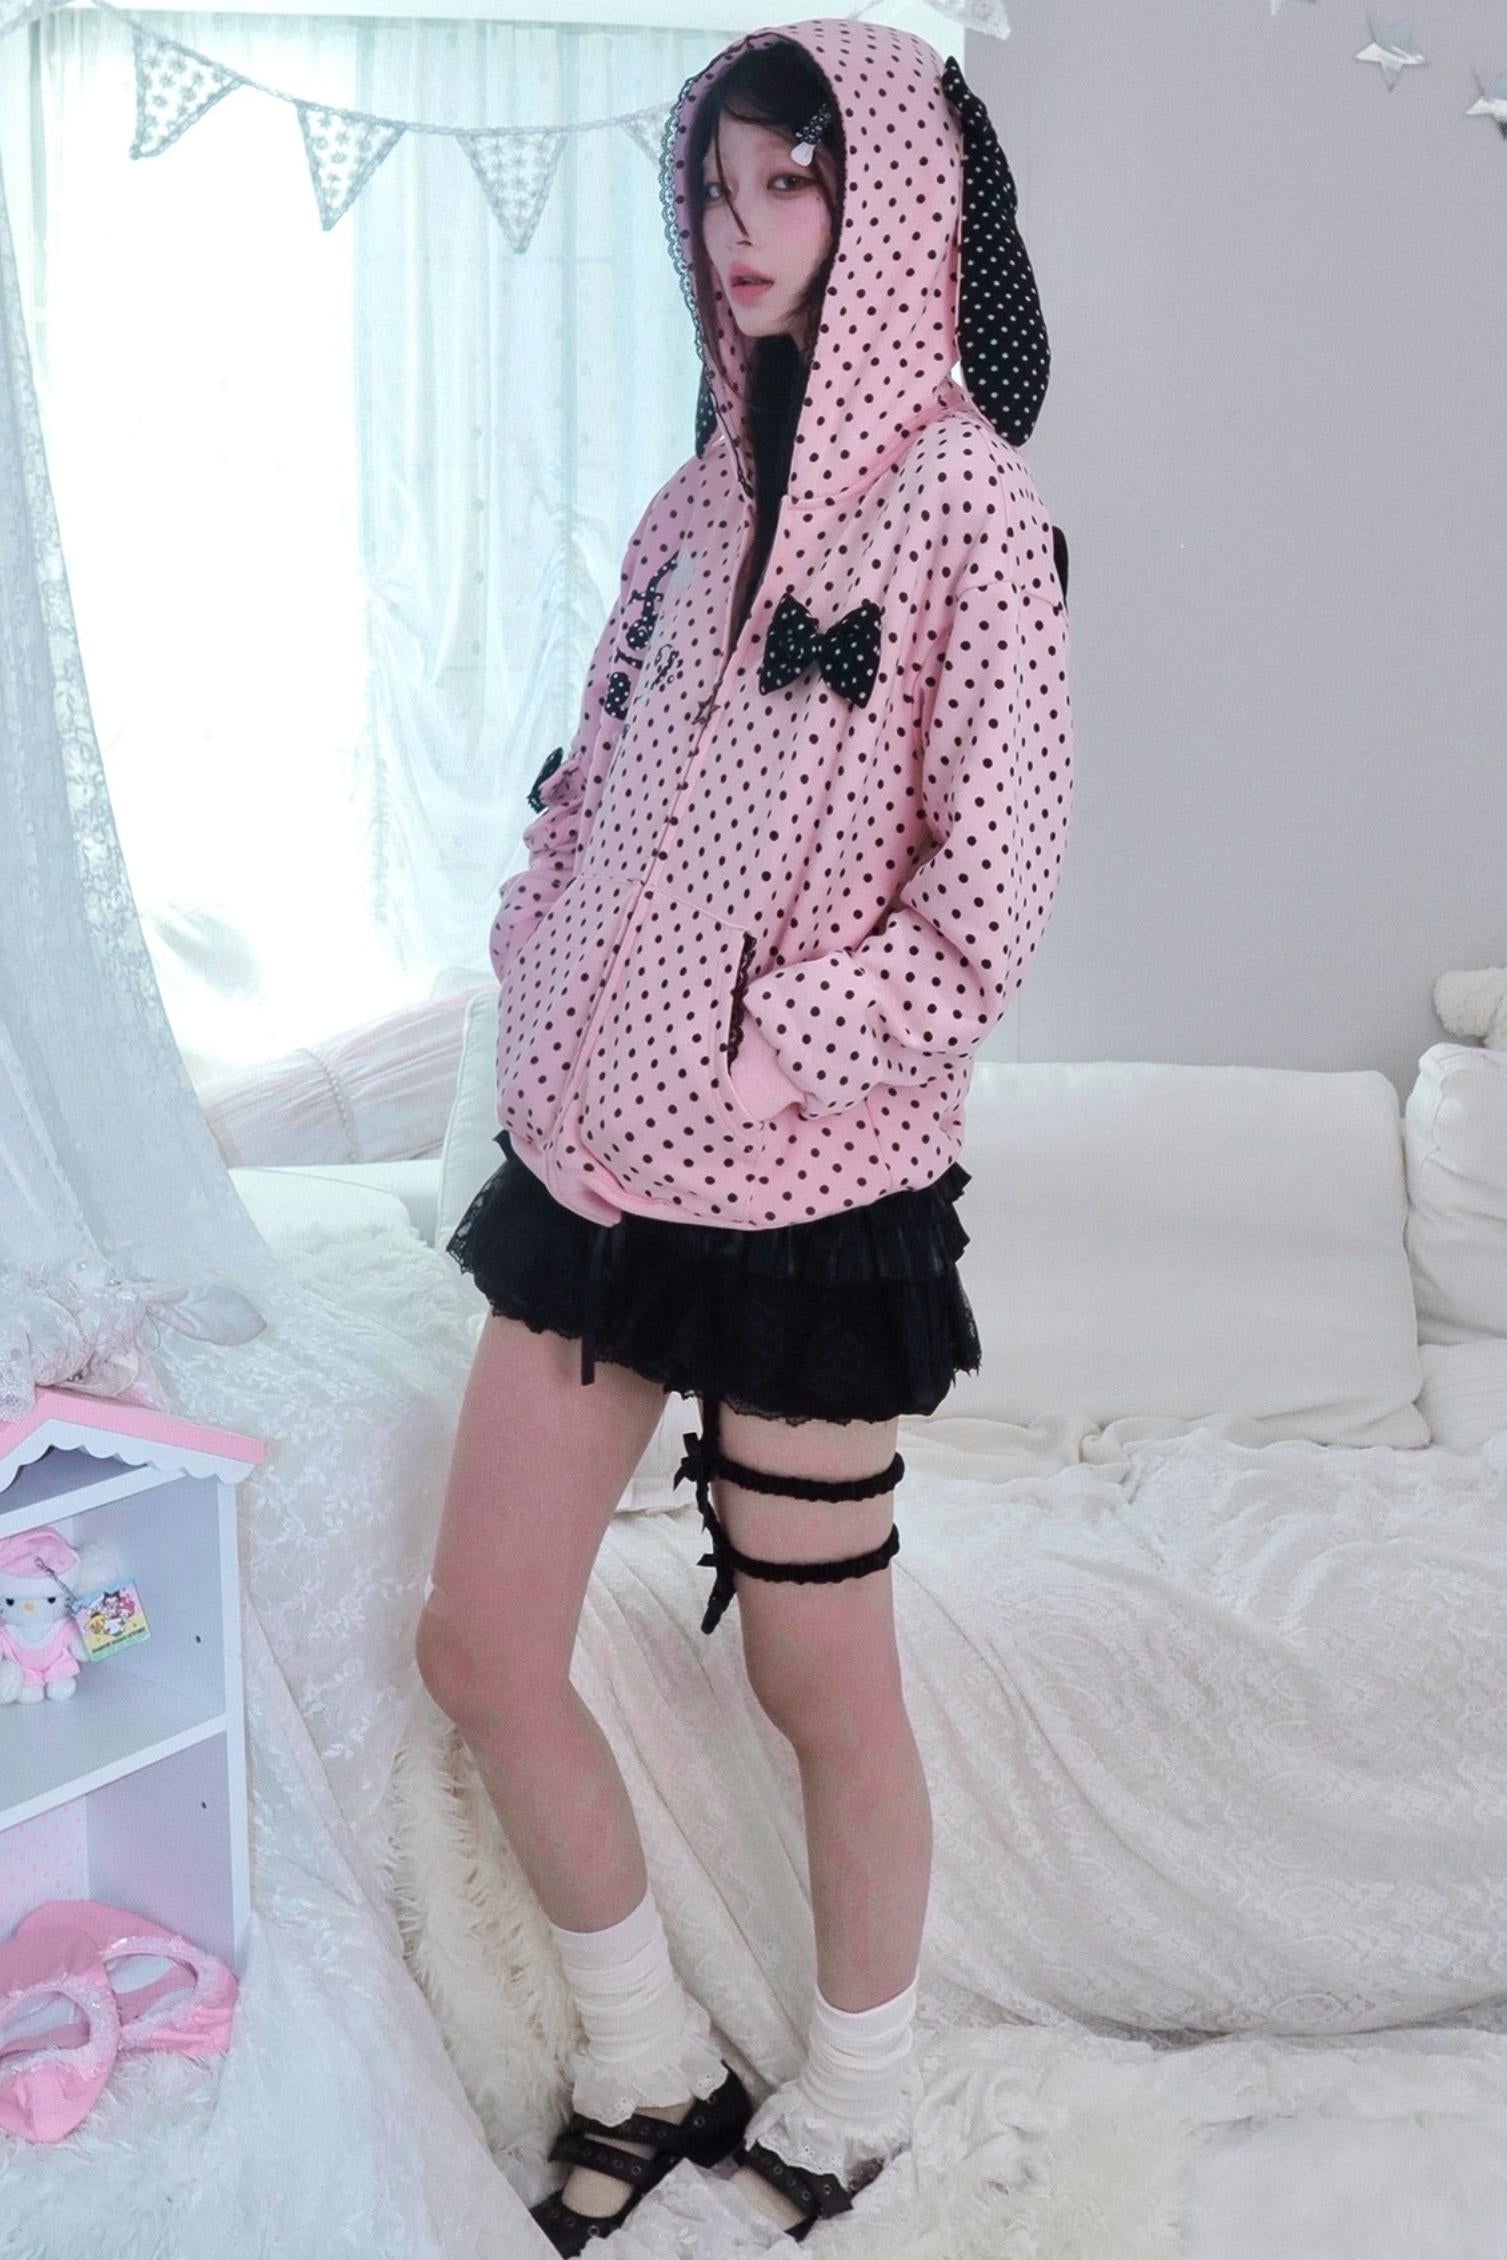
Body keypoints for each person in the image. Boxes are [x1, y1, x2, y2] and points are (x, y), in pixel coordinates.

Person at [419, 18, 1073, 2252]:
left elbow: (990, 894)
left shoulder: (973, 511)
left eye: (792, 183)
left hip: (804, 1201)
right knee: (480, 1639)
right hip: (595, 1176)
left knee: (815, 1673)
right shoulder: (689, 505)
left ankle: (862, 2085)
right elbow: (588, 781)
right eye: (716, 187)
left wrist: (775, 1054)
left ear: (889, 204)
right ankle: (642, 2055)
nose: (744, 229)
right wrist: (541, 960)